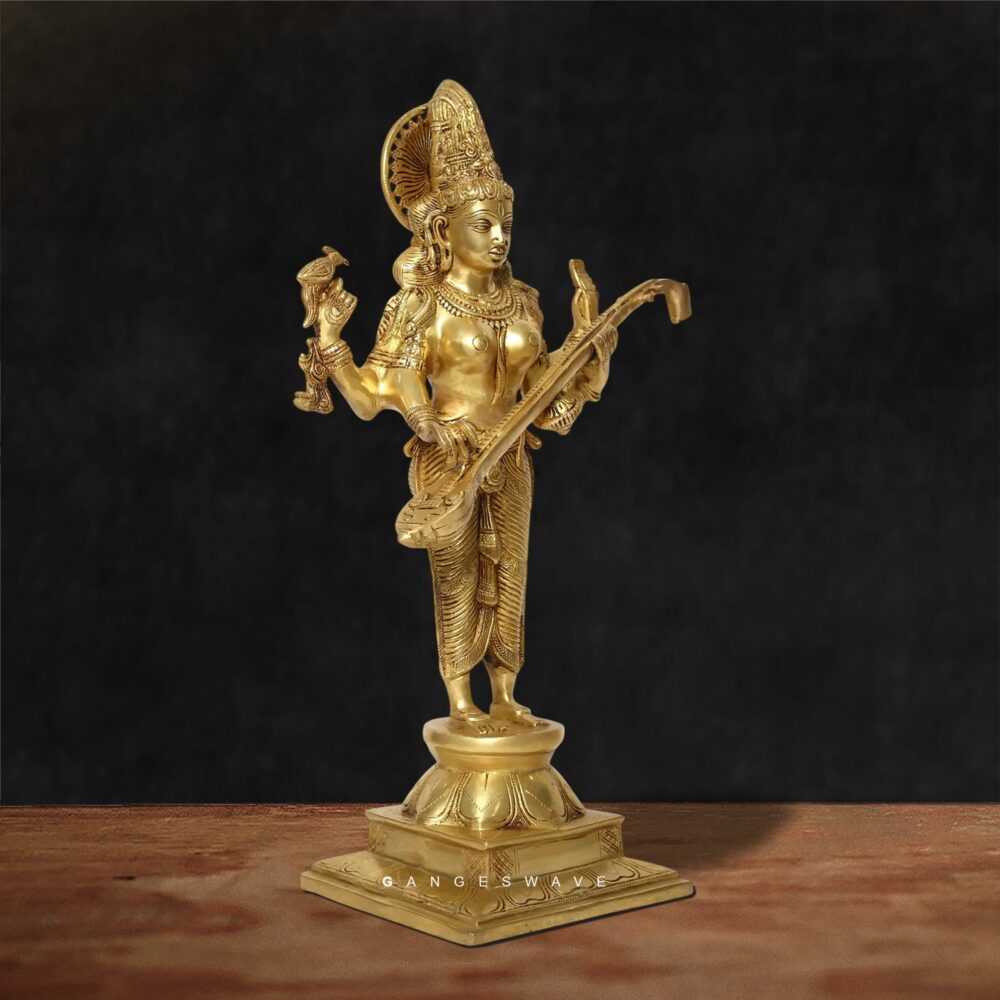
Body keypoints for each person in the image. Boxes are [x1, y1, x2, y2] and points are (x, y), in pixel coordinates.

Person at [296, 81, 616, 724]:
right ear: (445, 228)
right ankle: (460, 698)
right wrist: (332, 345)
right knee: (459, 575)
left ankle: (505, 693)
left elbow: (547, 394)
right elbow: (372, 397)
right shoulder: (420, 305)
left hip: (513, 455)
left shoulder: (523, 302)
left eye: (505, 225)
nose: (499, 238)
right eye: (483, 224)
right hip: (451, 456)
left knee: (511, 573)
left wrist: (590, 352)